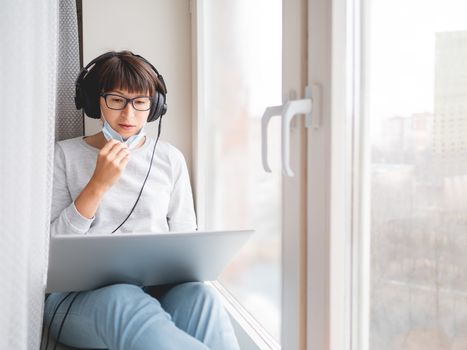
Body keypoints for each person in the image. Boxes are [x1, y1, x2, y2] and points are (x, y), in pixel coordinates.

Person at [43, 51, 240, 350]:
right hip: (76, 300)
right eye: (117, 100)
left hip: (158, 290)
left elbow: (185, 239)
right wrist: (97, 185)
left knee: (202, 296)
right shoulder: (63, 156)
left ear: (155, 105)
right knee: (125, 297)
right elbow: (49, 251)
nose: (128, 115)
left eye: (140, 102)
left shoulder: (170, 159)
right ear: (96, 100)